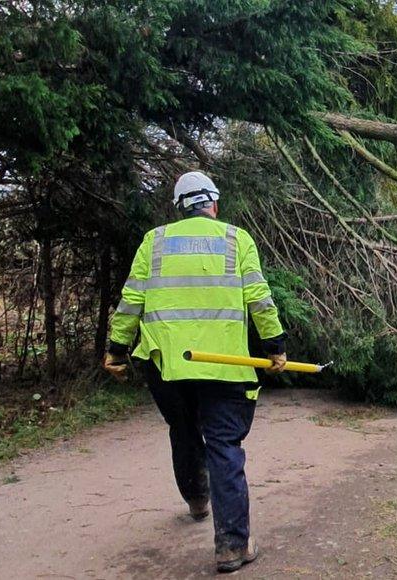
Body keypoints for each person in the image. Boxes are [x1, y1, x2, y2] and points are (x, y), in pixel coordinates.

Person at [101, 171, 287, 573]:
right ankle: (232, 546)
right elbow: (258, 297)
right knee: (224, 446)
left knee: (183, 430)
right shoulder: (237, 240)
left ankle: (197, 498)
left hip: (167, 365)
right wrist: (275, 345)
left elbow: (132, 299)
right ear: (214, 205)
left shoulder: (155, 242)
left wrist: (117, 348)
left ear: (179, 208)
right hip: (223, 365)